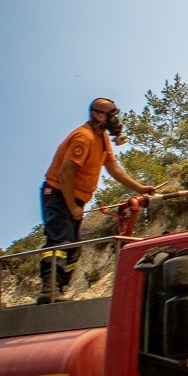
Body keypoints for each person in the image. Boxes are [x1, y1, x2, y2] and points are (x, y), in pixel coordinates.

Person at [38, 98, 156, 304]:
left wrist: (140, 188)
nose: (116, 120)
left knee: (73, 248)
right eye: (113, 115)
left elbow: (113, 168)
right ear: (99, 116)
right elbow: (65, 174)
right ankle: (49, 290)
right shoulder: (83, 138)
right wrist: (72, 206)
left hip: (74, 197)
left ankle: (60, 289)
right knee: (59, 242)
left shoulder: (102, 139)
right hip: (57, 194)